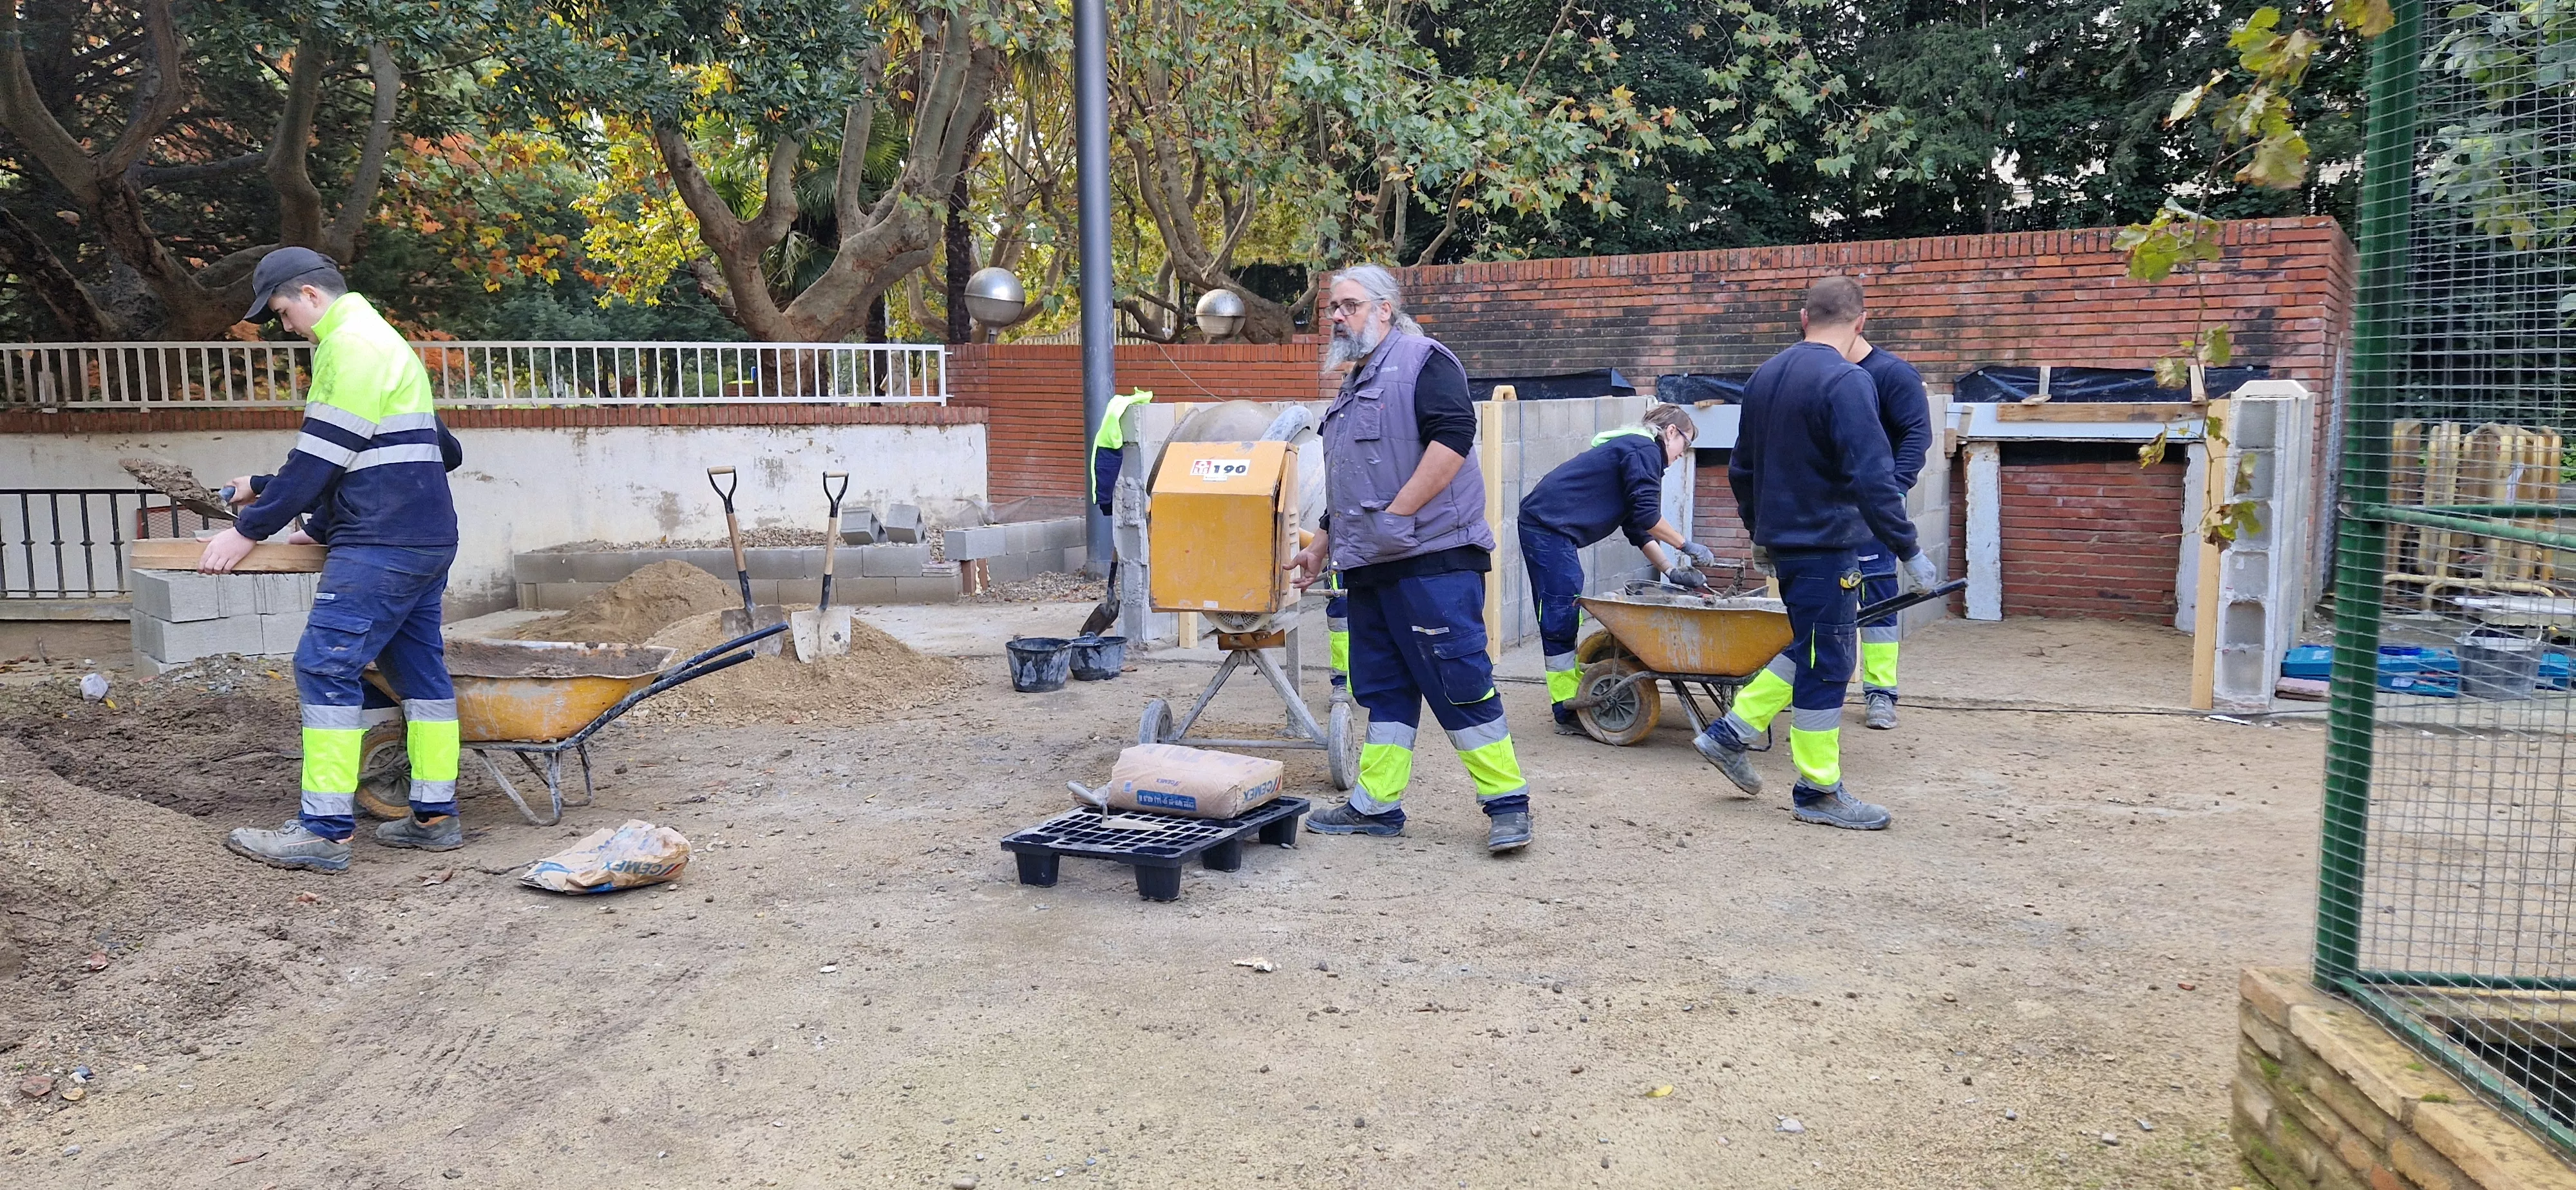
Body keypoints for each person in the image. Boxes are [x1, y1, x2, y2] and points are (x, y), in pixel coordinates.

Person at [204, 247, 467, 873]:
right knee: (421, 681)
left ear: (311, 296)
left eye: (282, 311)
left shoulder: (346, 348)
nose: (286, 326)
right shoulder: (388, 345)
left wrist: (250, 528)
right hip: (425, 540)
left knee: (323, 665)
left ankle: (323, 832)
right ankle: (433, 817)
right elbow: (436, 450)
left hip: (381, 545)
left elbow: (323, 458)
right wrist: (312, 514)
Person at [1286, 264, 1531, 853]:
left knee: (1461, 682)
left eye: (1348, 305)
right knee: (1386, 690)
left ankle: (1508, 805)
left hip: (1433, 561)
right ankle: (1377, 805)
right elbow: (1352, 485)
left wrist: (1399, 514)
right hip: (1371, 566)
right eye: (1333, 308)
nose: (1337, 316)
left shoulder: (1423, 360)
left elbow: (1454, 437)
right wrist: (1322, 545)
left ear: (1384, 310)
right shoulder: (1355, 384)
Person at [1691, 276, 1937, 831]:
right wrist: (1909, 550)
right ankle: (1818, 791)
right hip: (1827, 547)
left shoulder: (1764, 377)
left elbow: (1741, 470)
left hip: (1786, 542)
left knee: (1809, 645)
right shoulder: (1849, 382)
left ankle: (1728, 735)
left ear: (1803, 318)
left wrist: (1761, 534)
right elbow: (1874, 480)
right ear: (1860, 322)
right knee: (1830, 662)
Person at [1516, 404, 1710, 733]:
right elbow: (1649, 517)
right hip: (1546, 525)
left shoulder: (1636, 451)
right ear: (1672, 432)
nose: (1682, 454)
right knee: (1561, 608)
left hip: (1549, 525)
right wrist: (1685, 546)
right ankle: (1565, 707)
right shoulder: (1643, 450)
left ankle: (1570, 689)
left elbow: (1638, 526)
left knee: (1566, 602)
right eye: (1685, 444)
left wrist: (1670, 570)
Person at [1844, 334, 1932, 730]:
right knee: (1820, 601)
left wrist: (1894, 489)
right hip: (1823, 510)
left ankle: (1881, 693)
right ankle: (1810, 686)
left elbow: (1917, 434)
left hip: (1874, 509)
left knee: (1877, 594)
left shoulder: (1892, 375)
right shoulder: (1825, 372)